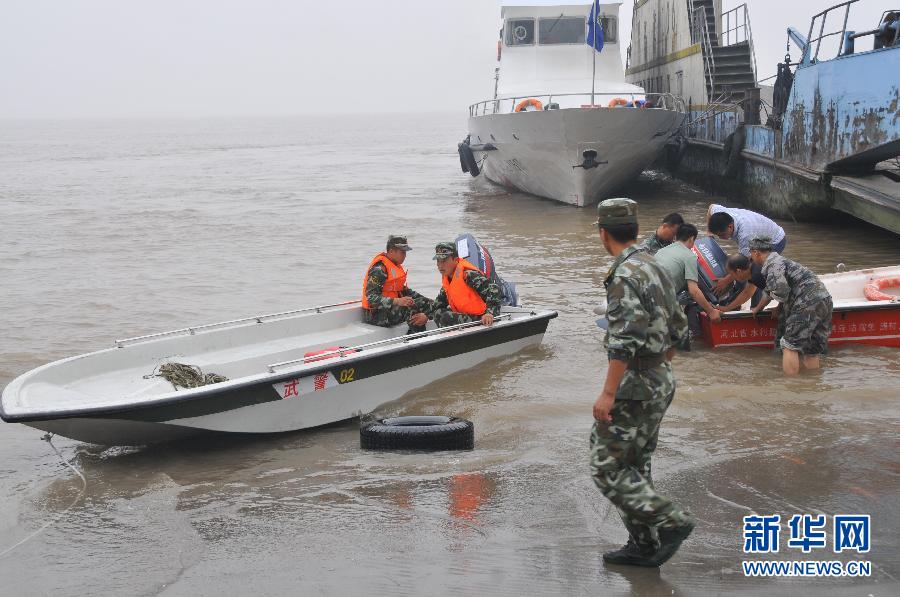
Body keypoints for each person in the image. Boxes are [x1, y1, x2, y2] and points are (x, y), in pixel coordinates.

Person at [591, 198, 695, 568]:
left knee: (606, 467)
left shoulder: (624, 275)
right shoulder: (654, 263)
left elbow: (624, 339)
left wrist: (608, 393)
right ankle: (643, 544)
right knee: (635, 465)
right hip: (661, 379)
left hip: (634, 385)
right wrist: (658, 366)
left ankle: (671, 522)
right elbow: (681, 328)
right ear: (635, 229)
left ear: (604, 233)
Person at [748, 236, 833, 375]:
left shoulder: (772, 265)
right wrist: (765, 307)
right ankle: (813, 384)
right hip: (824, 300)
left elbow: (780, 290)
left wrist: (763, 307)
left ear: (756, 252)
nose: (751, 257)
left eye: (750, 253)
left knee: (789, 345)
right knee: (811, 350)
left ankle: (791, 388)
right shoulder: (782, 261)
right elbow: (775, 290)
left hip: (806, 303)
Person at [706, 204, 787, 294]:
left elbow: (744, 264)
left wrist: (725, 281)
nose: (720, 238)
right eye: (717, 235)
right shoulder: (718, 213)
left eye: (722, 235)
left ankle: (755, 306)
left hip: (775, 240)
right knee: (740, 273)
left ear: (730, 227)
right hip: (757, 232)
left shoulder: (745, 235)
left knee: (755, 274)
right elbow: (711, 207)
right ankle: (736, 294)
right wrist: (709, 232)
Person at [653, 223, 721, 325]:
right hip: (661, 302)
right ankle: (694, 334)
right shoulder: (689, 256)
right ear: (692, 239)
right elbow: (694, 291)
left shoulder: (661, 251)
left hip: (647, 294)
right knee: (691, 299)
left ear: (676, 237)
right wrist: (711, 311)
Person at [362, 235, 433, 332]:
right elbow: (371, 298)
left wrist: (426, 300)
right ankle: (417, 341)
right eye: (402, 252)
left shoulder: (395, 265)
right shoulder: (379, 269)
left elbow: (402, 289)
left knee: (428, 303)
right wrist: (398, 301)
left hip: (390, 308)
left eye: (405, 252)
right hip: (375, 314)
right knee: (411, 310)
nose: (405, 255)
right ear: (391, 251)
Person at [431, 242, 501, 328]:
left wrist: (489, 313)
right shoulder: (448, 280)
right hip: (467, 316)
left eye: (444, 261)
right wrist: (425, 316)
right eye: (438, 261)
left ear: (456, 260)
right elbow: (438, 303)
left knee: (446, 317)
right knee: (437, 312)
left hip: (482, 318)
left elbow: (494, 289)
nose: (440, 265)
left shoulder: (468, 275)